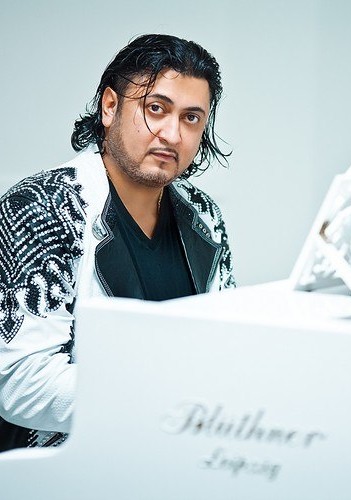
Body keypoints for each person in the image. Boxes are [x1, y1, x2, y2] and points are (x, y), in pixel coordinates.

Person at [0, 34, 235, 451]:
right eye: (156, 108)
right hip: (66, 469)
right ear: (110, 107)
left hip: (177, 457)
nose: (172, 134)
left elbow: (225, 345)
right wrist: (163, 398)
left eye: (191, 118)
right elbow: (20, 381)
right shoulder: (40, 207)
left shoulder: (205, 215)